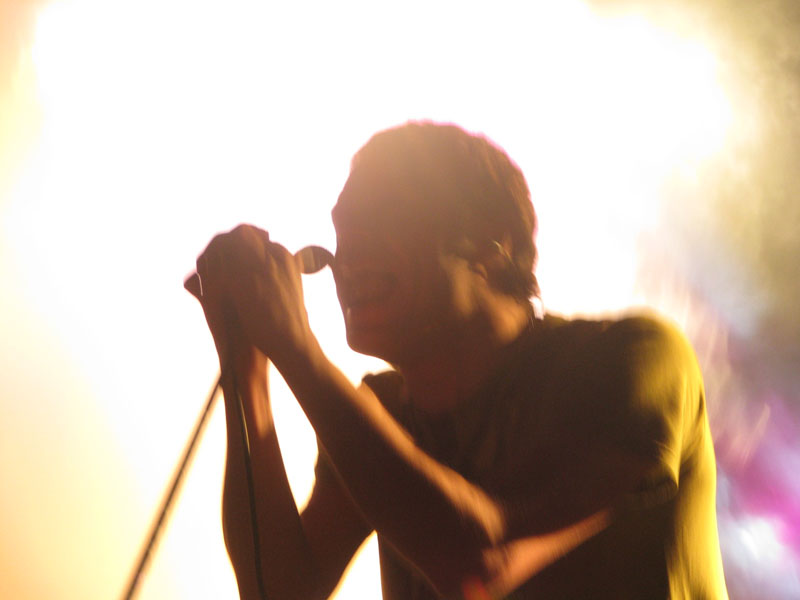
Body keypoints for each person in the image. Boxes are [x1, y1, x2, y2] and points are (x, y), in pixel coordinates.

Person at [189, 122, 728, 599]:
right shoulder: (384, 412)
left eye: (385, 217)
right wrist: (246, 369)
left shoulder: (630, 359)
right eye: (342, 231)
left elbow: (484, 563)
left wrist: (297, 349)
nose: (346, 255)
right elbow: (280, 590)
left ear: (492, 245)